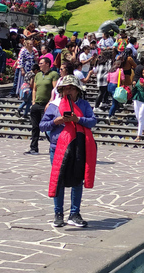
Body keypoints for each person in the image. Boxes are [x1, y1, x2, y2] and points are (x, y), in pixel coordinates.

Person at [39, 75, 97, 228]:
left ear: (77, 90)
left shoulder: (84, 105)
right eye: (65, 88)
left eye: (71, 88)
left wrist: (79, 120)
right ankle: (58, 213)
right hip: (58, 147)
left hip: (78, 146)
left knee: (77, 179)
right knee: (59, 181)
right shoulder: (54, 105)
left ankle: (75, 213)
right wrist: (55, 122)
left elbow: (93, 121)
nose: (68, 91)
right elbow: (42, 125)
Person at [27, 57, 59, 155]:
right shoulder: (38, 75)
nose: (39, 65)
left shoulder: (53, 74)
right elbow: (34, 89)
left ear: (47, 64)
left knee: (47, 128)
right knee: (35, 127)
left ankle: (55, 147)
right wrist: (33, 101)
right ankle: (34, 148)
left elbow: (55, 90)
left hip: (47, 105)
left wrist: (50, 102)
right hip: (37, 104)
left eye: (41, 63)